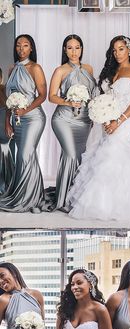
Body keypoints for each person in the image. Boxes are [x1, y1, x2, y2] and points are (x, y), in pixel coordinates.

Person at [66, 35, 130, 221]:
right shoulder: (111, 70)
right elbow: (106, 99)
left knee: (113, 151)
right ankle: (103, 203)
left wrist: (119, 120)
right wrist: (105, 117)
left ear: (129, 50)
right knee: (106, 152)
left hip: (128, 118)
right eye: (114, 50)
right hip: (110, 117)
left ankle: (117, 205)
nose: (117, 53)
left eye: (121, 49)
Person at [49, 35, 96, 210]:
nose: (74, 51)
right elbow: (51, 96)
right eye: (70, 48)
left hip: (84, 120)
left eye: (77, 47)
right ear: (64, 50)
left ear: (82, 49)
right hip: (64, 118)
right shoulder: (60, 70)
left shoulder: (89, 69)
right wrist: (69, 102)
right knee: (70, 155)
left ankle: (75, 196)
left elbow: (93, 94)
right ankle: (63, 200)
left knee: (79, 156)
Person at [1, 34, 47, 212]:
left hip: (34, 118)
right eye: (18, 46)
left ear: (31, 48)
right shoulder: (12, 68)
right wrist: (7, 122)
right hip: (15, 119)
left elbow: (42, 95)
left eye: (25, 45)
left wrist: (25, 110)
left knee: (25, 156)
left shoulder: (35, 67)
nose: (21, 49)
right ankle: (31, 196)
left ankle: (31, 200)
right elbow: (8, 99)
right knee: (26, 157)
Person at [0, 68, 14, 194]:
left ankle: (3, 185)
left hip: (3, 127)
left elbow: (9, 109)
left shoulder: (5, 90)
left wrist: (7, 124)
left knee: (3, 147)